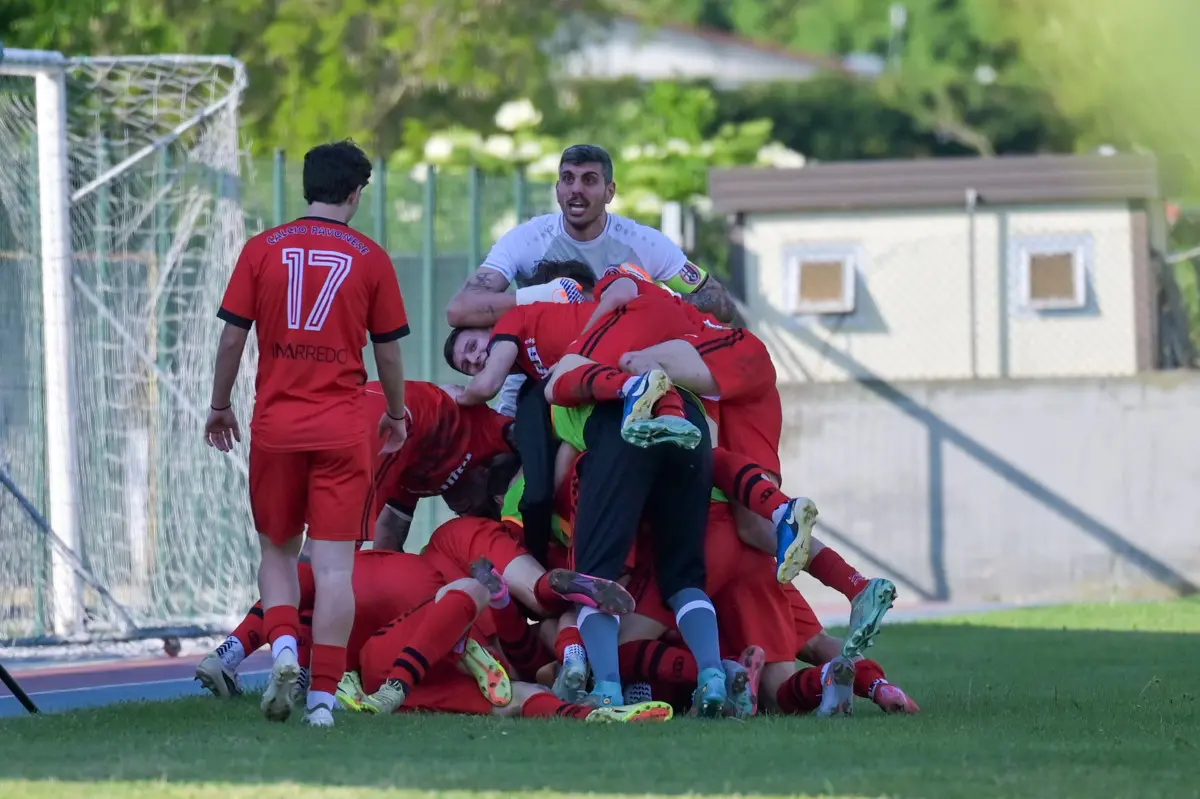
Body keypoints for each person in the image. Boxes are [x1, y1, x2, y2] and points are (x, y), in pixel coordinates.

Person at [203, 140, 409, 728]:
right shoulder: (371, 256)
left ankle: (285, 650)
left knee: (277, 552)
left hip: (277, 427)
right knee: (336, 566)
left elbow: (232, 339)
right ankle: (322, 700)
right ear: (356, 193)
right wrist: (394, 414)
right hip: (345, 428)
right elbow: (388, 353)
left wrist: (220, 406)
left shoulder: (261, 249)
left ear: (306, 186)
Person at [445, 144, 741, 416]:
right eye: (568, 179)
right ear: (557, 188)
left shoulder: (644, 243)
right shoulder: (526, 239)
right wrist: (545, 296)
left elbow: (720, 304)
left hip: (626, 364)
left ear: (609, 191)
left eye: (588, 180)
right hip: (535, 374)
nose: (576, 190)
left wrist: (663, 306)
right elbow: (459, 310)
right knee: (506, 456)